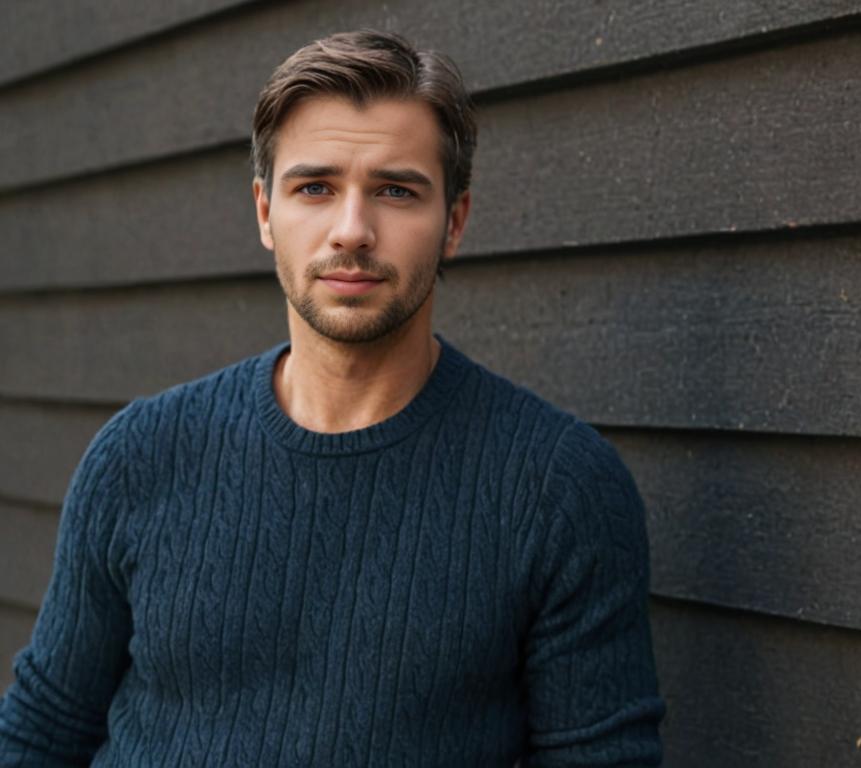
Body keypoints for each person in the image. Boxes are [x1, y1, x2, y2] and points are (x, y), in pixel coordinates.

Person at [0, 30, 664, 767]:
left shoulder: (557, 487)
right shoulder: (139, 457)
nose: (352, 230)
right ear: (264, 212)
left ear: (455, 221)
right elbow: (41, 733)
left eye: (396, 190)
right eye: (315, 187)